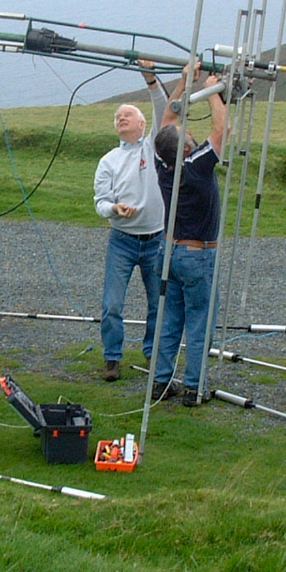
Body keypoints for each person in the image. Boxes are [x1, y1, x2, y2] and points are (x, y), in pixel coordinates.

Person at [150, 67, 226, 406]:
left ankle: (162, 382)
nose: (189, 131)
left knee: (171, 320)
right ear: (185, 148)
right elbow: (222, 129)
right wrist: (213, 92)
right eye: (186, 133)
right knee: (199, 324)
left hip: (169, 252)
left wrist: (185, 81)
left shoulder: (162, 162)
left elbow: (168, 115)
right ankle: (195, 388)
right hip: (197, 255)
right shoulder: (196, 165)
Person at [92, 62, 172, 380]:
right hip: (122, 240)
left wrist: (150, 78)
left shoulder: (154, 146)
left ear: (142, 125)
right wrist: (115, 209)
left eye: (128, 115)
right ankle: (112, 357)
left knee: (158, 303)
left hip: (156, 239)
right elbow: (100, 203)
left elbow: (163, 108)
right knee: (112, 304)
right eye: (117, 118)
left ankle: (152, 354)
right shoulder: (108, 160)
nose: (121, 118)